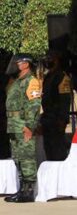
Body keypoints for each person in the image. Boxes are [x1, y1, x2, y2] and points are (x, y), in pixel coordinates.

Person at [4, 54, 42, 203]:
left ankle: (29, 190)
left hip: (23, 123)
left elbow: (33, 105)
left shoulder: (31, 81)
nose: (17, 64)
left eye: (19, 62)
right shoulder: (17, 81)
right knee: (18, 157)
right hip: (13, 124)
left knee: (27, 157)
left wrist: (29, 126)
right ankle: (22, 188)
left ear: (27, 64)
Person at [40, 50, 73, 161]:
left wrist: (62, 120)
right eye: (47, 58)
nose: (48, 61)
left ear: (57, 60)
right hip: (47, 120)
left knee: (58, 151)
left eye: (51, 58)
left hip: (57, 121)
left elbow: (65, 100)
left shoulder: (62, 77)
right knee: (48, 150)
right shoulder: (48, 77)